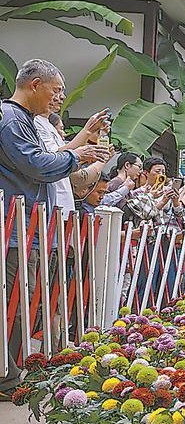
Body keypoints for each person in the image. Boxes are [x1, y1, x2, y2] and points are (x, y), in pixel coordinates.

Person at [0, 59, 108, 399]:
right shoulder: (12, 119)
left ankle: (11, 372)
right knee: (14, 304)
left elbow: (44, 159)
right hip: (15, 228)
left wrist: (78, 148)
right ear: (35, 85)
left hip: (30, 227)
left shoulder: (25, 120)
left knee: (24, 301)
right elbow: (37, 165)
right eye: (55, 90)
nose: (58, 97)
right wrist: (79, 156)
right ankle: (7, 377)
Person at [34, 109, 111, 216]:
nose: (63, 133)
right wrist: (101, 159)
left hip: (63, 207)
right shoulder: (38, 123)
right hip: (53, 207)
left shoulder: (45, 123)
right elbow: (79, 177)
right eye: (61, 129)